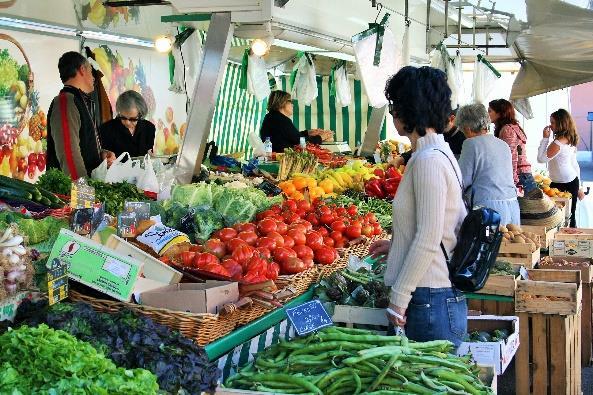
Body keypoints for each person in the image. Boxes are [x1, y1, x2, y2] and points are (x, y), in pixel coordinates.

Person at [369, 66, 467, 347]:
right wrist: (397, 243)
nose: (393, 113)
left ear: (410, 109)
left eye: (395, 106)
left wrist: (399, 300)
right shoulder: (438, 153)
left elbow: (428, 238)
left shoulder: (428, 161)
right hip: (435, 296)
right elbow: (441, 224)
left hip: (429, 300)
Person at [47, 51, 115, 179]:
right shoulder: (65, 101)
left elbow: (81, 143)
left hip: (85, 188)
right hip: (68, 194)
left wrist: (100, 153)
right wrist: (83, 193)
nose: (94, 77)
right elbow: (69, 153)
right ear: (82, 69)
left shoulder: (80, 100)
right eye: (91, 70)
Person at [457, 104, 520, 225]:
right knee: (511, 243)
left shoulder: (471, 144)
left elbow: (462, 180)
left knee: (486, 243)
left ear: (467, 128)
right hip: (512, 206)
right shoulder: (502, 144)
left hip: (489, 210)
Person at [537, 109, 585, 227]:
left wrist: (545, 138)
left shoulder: (558, 143)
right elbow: (574, 164)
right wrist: (579, 187)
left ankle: (565, 242)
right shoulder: (569, 138)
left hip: (563, 184)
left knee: (557, 218)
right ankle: (571, 243)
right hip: (569, 182)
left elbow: (541, 159)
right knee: (569, 216)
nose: (550, 125)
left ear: (560, 123)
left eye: (552, 122)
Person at [488, 99, 538, 196]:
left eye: (490, 111)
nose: (487, 114)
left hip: (519, 176)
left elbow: (511, 156)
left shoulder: (507, 129)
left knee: (526, 209)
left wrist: (513, 181)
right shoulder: (512, 126)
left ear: (499, 113)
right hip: (523, 174)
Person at [260, 90, 333, 153]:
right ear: (282, 102)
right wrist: (321, 137)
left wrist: (308, 133)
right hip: (279, 158)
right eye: (290, 101)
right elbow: (299, 142)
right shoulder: (281, 120)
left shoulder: (273, 117)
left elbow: (291, 136)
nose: (293, 105)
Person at [99, 90, 156, 158]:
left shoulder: (149, 128)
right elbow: (105, 157)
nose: (127, 122)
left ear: (140, 115)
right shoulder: (106, 129)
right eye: (123, 118)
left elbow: (149, 154)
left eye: (133, 119)